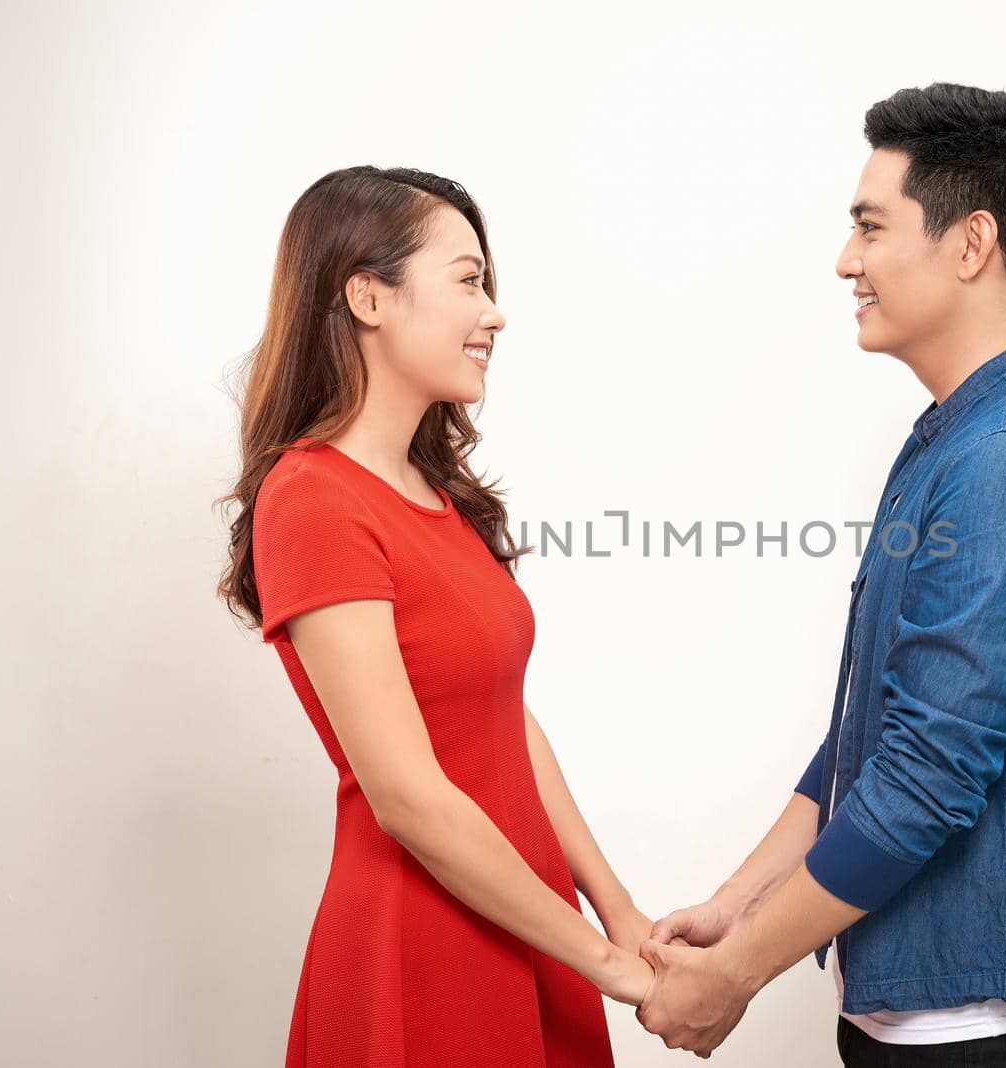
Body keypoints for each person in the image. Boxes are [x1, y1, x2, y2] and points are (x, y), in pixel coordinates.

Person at [637, 85, 1006, 1067]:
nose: (845, 261)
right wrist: (734, 912)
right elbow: (878, 733)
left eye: (869, 226)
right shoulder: (957, 438)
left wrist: (734, 977)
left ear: (969, 242)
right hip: (922, 1010)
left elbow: (926, 774)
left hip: (988, 1028)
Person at [216, 166, 652, 1066]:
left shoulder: (438, 495)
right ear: (367, 296)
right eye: (467, 280)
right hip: (426, 941)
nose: (494, 312)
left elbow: (502, 718)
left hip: (528, 919)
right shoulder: (312, 499)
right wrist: (614, 968)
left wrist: (619, 914)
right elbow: (410, 800)